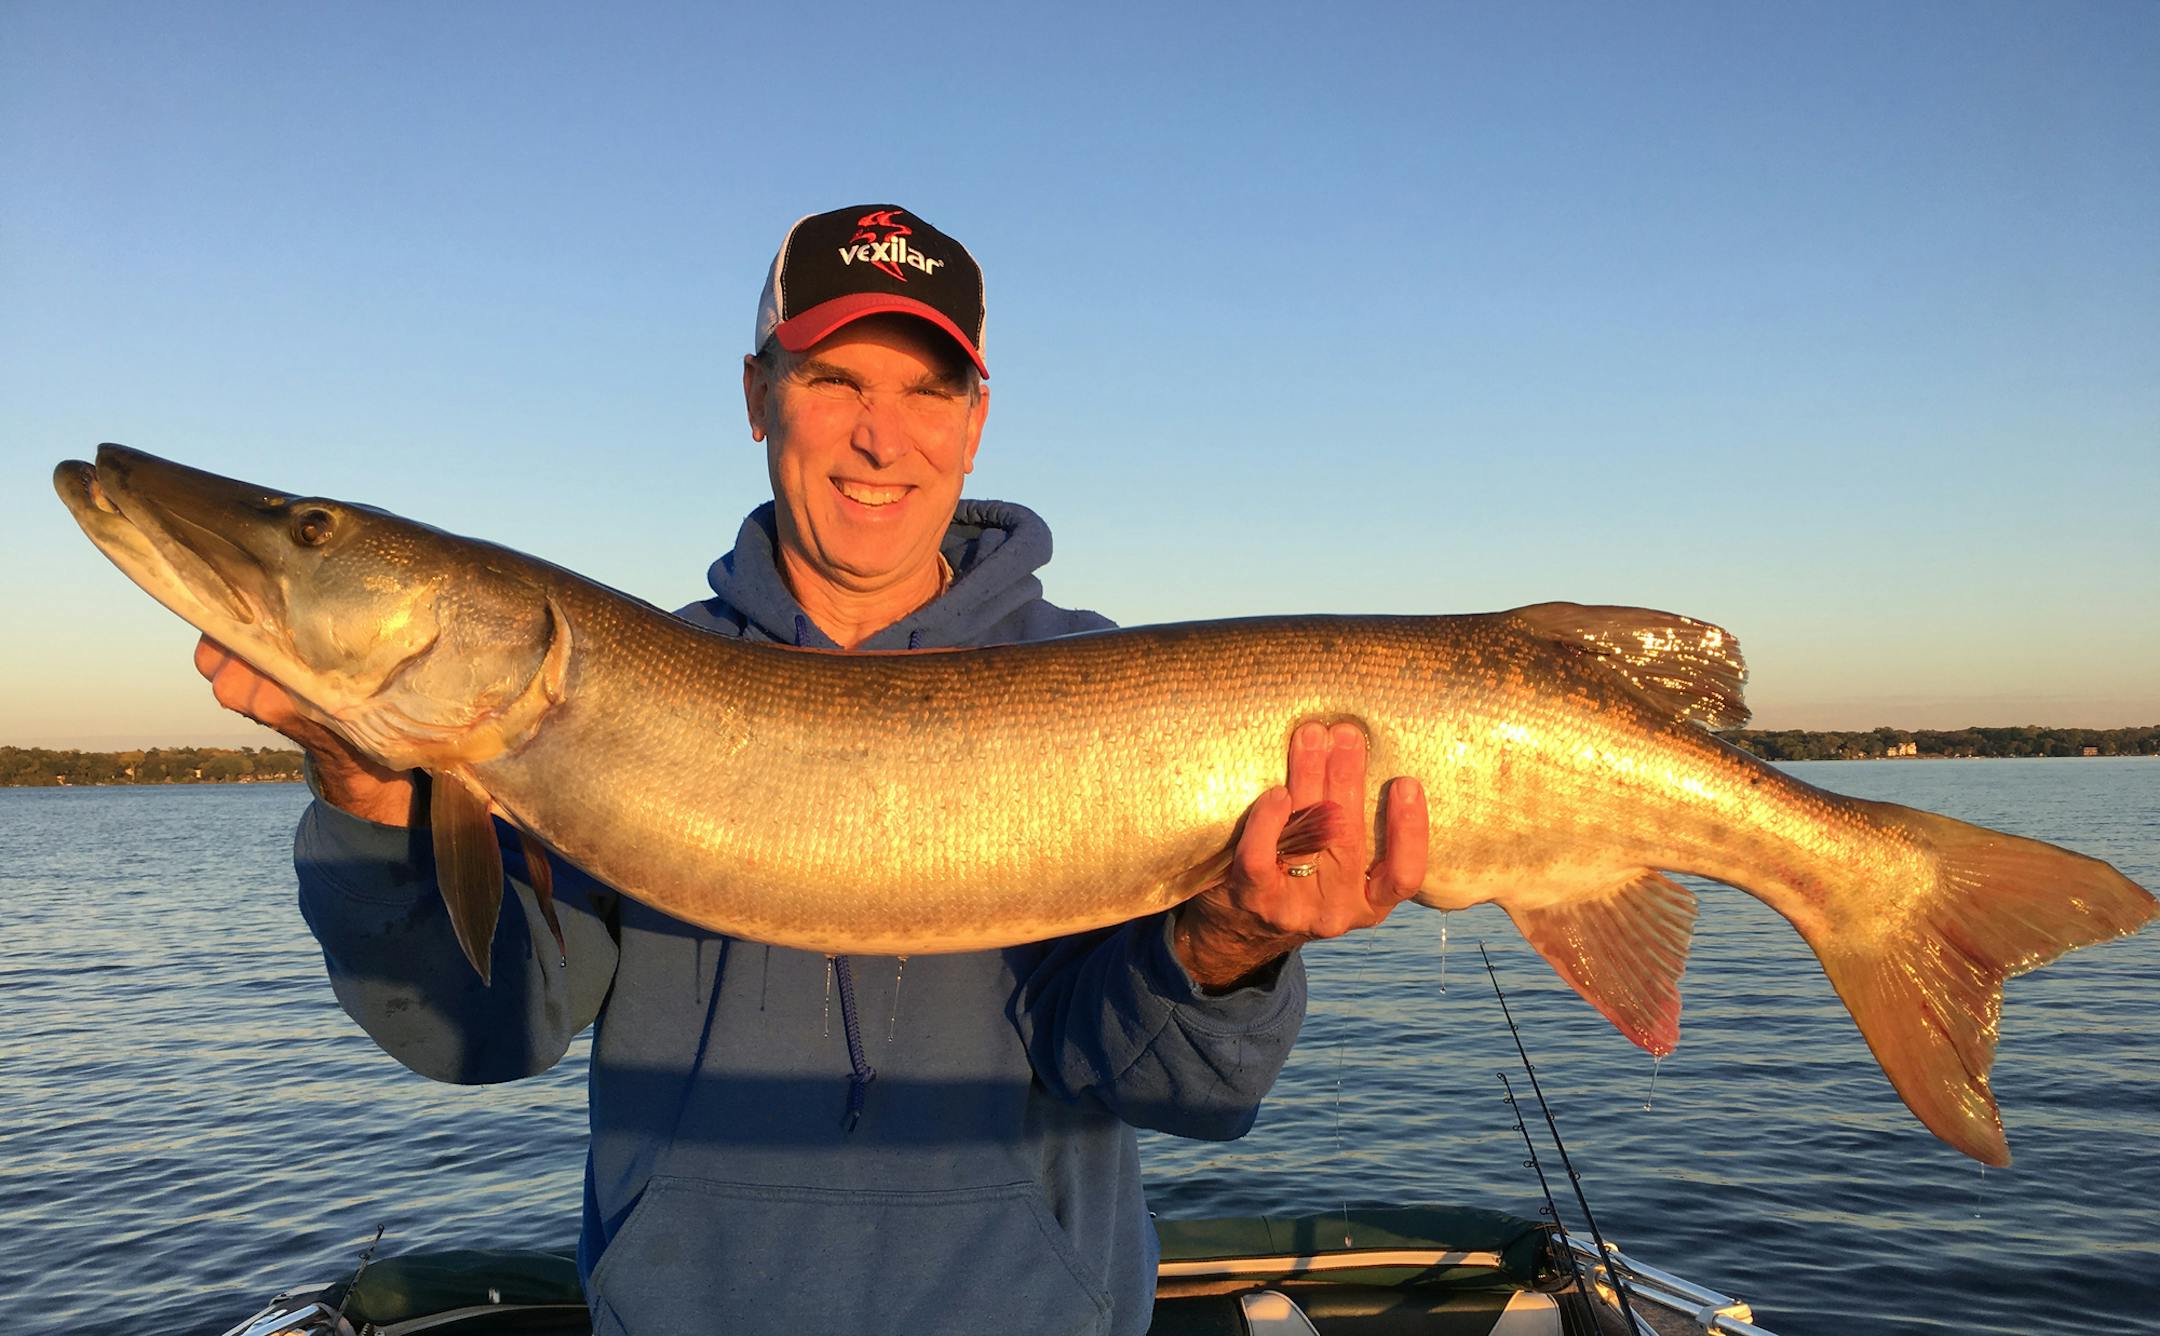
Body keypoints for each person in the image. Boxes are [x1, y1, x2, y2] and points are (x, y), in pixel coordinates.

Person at [195, 204, 1430, 1336]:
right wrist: (369, 798)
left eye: (925, 388)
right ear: (756, 394)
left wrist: (1230, 945)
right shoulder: (609, 701)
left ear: (976, 417)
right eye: (831, 377)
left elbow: (1174, 1087)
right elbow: (479, 1031)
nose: (878, 433)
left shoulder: (1092, 677)